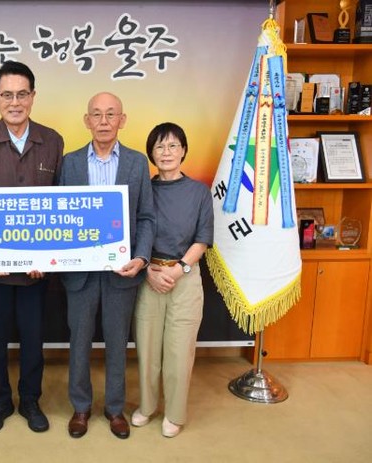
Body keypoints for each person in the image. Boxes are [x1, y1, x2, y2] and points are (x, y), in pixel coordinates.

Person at [0, 60, 63, 433]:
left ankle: (31, 401)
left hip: (37, 271)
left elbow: (58, 205)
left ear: (33, 96)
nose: (15, 102)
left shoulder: (52, 140)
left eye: (22, 94)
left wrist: (44, 258)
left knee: (34, 340)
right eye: (7, 95)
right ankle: (0, 401)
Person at [60, 92, 155, 440]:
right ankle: (80, 407)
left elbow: (146, 217)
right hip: (80, 272)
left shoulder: (137, 163)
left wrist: (141, 258)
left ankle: (115, 409)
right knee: (79, 342)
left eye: (111, 114)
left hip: (122, 271)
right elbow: (58, 213)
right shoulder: (69, 163)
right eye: (97, 114)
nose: (103, 121)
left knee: (118, 342)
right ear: (87, 120)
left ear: (122, 120)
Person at [131, 122, 213, 438]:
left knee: (179, 353)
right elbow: (133, 234)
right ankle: (147, 407)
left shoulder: (198, 192)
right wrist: (148, 270)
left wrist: (178, 270)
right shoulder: (144, 190)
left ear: (183, 151)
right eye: (160, 146)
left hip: (185, 278)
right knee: (148, 349)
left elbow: (202, 240)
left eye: (173, 145)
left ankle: (175, 414)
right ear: (151, 153)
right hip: (148, 276)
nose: (166, 152)